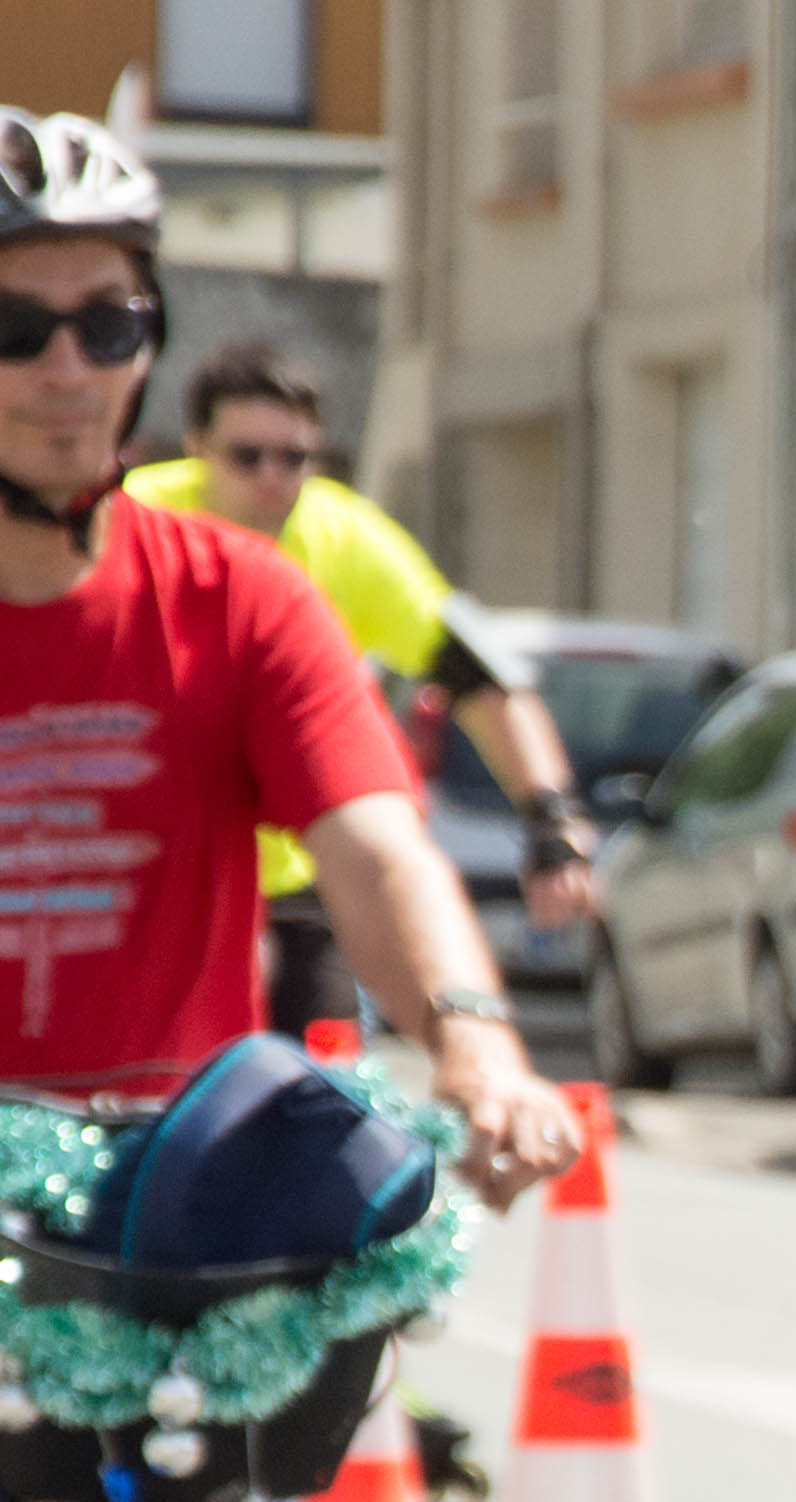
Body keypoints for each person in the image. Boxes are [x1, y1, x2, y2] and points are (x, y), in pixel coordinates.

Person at [1, 113, 585, 1502]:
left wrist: (483, 1046)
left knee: (237, 1460)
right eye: (20, 329)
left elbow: (375, 836)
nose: (72, 371)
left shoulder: (239, 597)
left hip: (172, 1154)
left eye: (110, 322)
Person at [123, 336, 603, 1042]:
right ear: (195, 447)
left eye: (295, 458)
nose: (272, 478)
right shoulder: (132, 522)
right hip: (158, 876)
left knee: (327, 1099)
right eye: (247, 456)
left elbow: (480, 675)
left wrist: (551, 820)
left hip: (298, 881)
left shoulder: (345, 537)